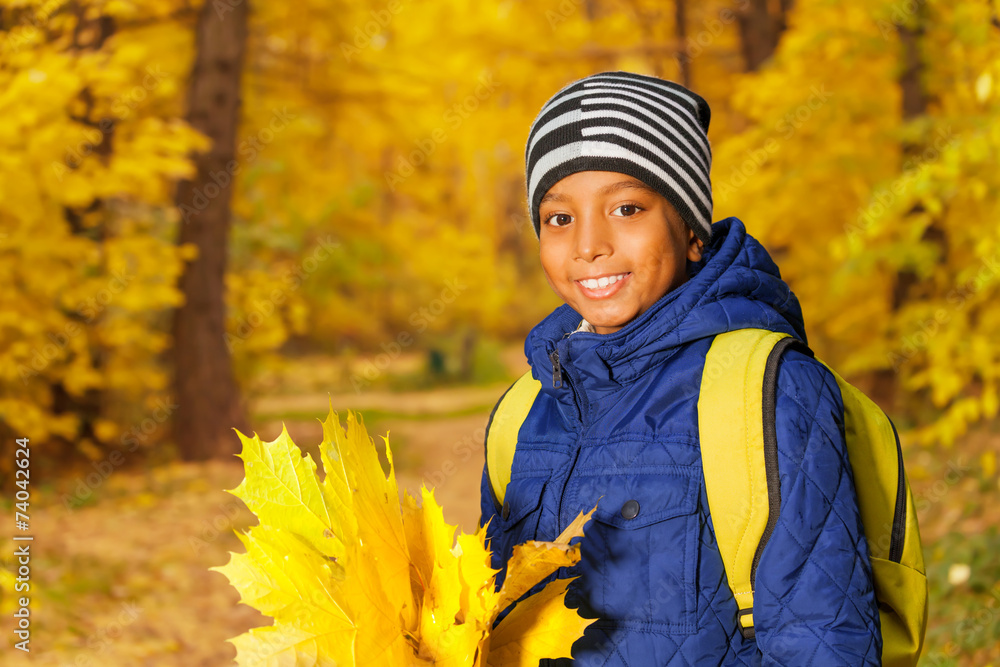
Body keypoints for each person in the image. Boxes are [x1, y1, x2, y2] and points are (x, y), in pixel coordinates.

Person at [478, 70, 882, 665]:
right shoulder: (522, 413)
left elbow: (822, 642)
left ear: (692, 231)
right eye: (559, 218)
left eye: (626, 207)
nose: (589, 244)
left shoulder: (767, 392)